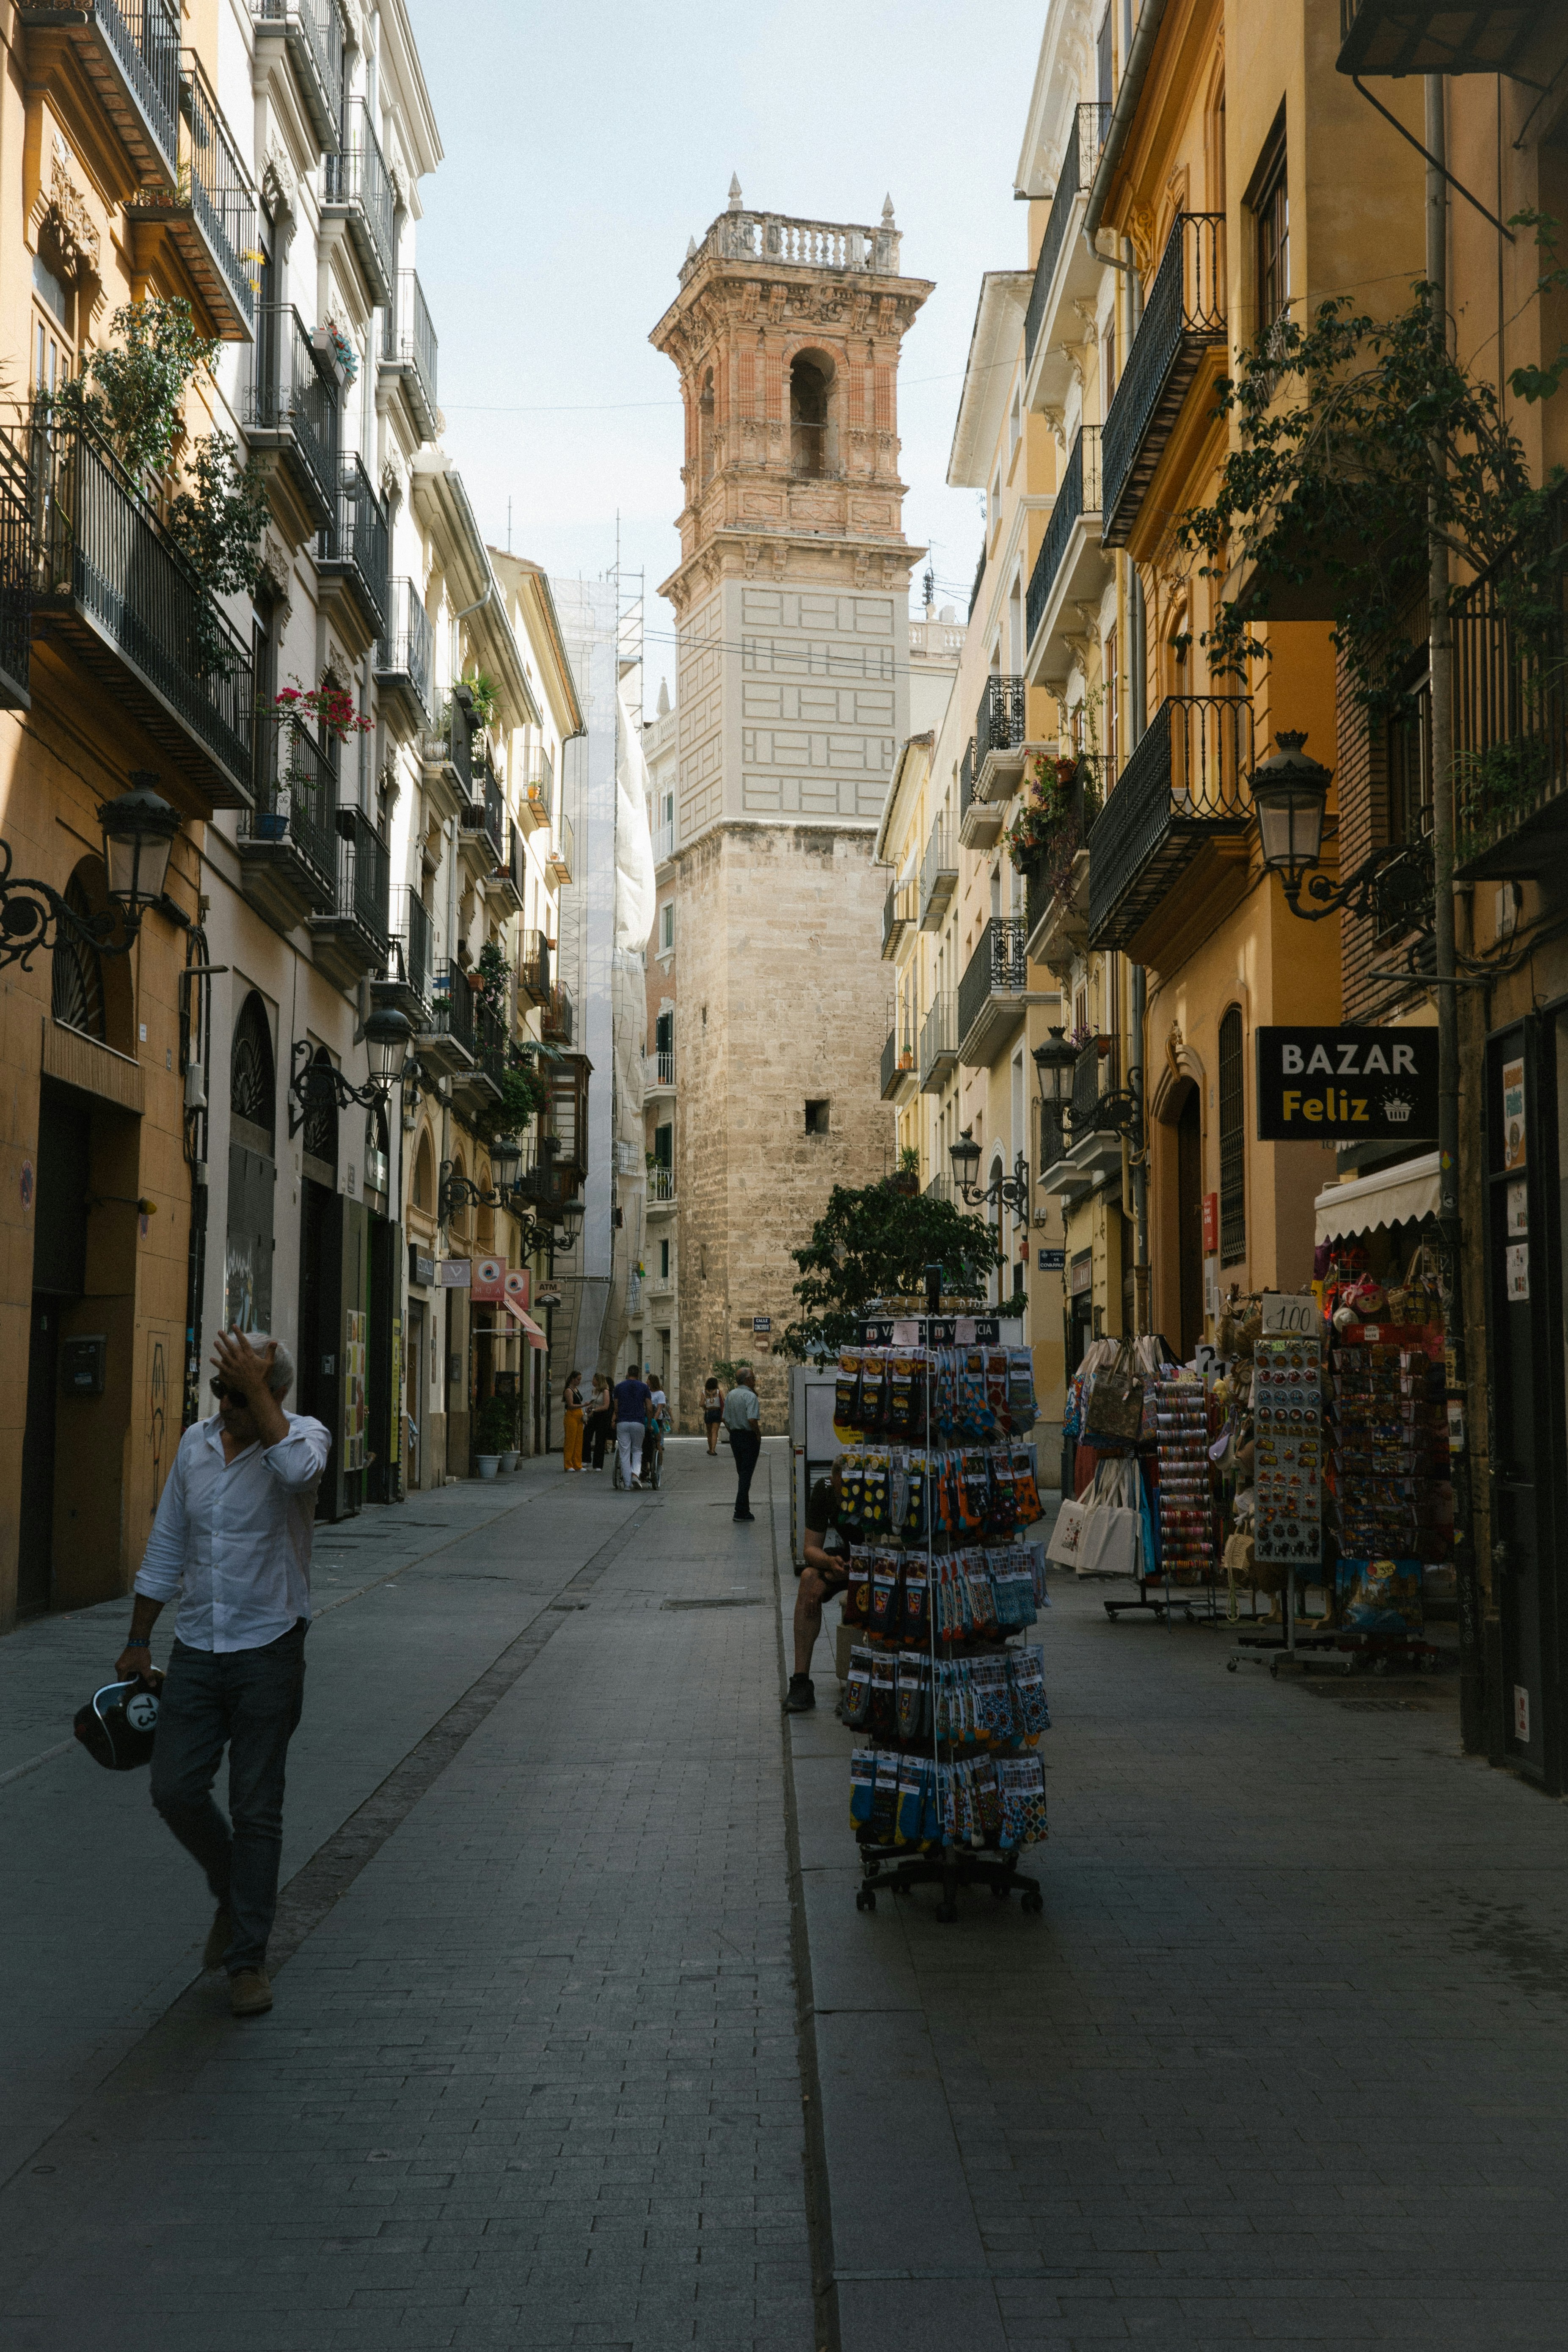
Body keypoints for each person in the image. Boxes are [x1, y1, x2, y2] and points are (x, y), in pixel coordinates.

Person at [116, 1328, 330, 2019]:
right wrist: (138, 1635)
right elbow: (170, 1538)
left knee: (255, 1805)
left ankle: (247, 1961)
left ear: (275, 1392)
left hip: (269, 1647)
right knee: (174, 1785)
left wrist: (261, 1396)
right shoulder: (195, 1445)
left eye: (242, 1392)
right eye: (223, 1390)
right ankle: (233, 1882)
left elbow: (299, 1475)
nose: (228, 1404)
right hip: (200, 1647)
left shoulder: (302, 1436)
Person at [785, 1457, 851, 1713]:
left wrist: (830, 1578)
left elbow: (878, 1555)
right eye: (838, 1491)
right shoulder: (824, 1490)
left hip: (872, 1558)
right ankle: (801, 1682)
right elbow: (810, 1550)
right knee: (808, 1578)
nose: (840, 1497)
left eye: (845, 1492)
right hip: (848, 1556)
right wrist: (827, 1564)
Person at [722, 1368, 761, 1522]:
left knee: (743, 1473)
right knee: (746, 1475)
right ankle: (740, 1510)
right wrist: (758, 1435)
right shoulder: (750, 1396)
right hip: (748, 1437)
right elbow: (752, 1420)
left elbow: (725, 1418)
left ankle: (745, 1509)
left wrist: (732, 1431)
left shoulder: (731, 1394)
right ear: (748, 1380)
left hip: (735, 1437)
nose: (755, 1381)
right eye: (753, 1378)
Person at [611, 1360, 653, 1488]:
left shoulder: (619, 1387)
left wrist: (617, 1418)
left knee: (624, 1453)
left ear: (628, 1373)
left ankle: (627, 1485)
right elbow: (650, 1408)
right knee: (637, 1450)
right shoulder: (644, 1388)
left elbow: (616, 1407)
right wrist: (650, 1423)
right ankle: (635, 1474)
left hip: (623, 1422)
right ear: (639, 1375)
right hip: (638, 1422)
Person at [585, 1372, 613, 1471]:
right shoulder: (594, 1391)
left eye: (594, 1380)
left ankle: (598, 1465)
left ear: (599, 1381)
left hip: (602, 1417)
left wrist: (595, 1410)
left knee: (600, 1440)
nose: (593, 1381)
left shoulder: (606, 1392)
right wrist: (590, 1407)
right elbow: (594, 1403)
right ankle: (586, 1459)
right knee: (587, 1435)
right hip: (593, 1415)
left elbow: (606, 1406)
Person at [562, 1370, 584, 1472]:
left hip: (579, 1415)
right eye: (578, 1379)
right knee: (570, 1441)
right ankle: (568, 1464)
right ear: (573, 1379)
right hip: (571, 1416)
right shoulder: (569, 1391)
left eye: (580, 1380)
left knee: (579, 1441)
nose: (579, 1381)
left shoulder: (576, 1389)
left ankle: (577, 1464)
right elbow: (570, 1406)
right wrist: (584, 1405)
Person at [703, 1376, 725, 1457]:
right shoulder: (719, 1392)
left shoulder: (704, 1392)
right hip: (717, 1412)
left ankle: (710, 1448)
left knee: (709, 1432)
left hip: (708, 1413)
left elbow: (701, 1403)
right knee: (715, 1432)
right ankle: (713, 1450)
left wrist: (705, 1406)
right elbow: (723, 1402)